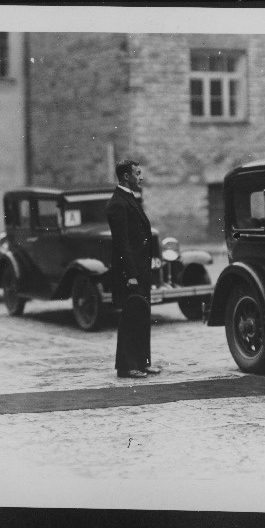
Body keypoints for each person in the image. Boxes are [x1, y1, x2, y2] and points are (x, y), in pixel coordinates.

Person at [106, 159, 162, 379]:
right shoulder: (118, 203)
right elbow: (122, 244)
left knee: (142, 315)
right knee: (131, 317)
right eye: (137, 173)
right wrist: (131, 276)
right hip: (131, 273)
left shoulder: (130, 198)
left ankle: (143, 362)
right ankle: (126, 366)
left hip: (140, 270)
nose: (141, 177)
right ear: (126, 176)